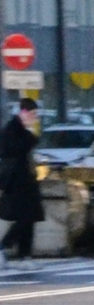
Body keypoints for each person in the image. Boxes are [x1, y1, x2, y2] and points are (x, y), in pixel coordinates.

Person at [0, 99, 40, 263]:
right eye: (33, 114)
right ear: (24, 112)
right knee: (25, 218)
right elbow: (13, 150)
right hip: (17, 181)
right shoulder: (12, 128)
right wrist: (30, 133)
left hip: (27, 180)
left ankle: (25, 256)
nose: (35, 118)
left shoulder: (20, 128)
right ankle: (3, 246)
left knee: (29, 218)